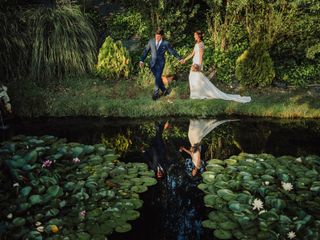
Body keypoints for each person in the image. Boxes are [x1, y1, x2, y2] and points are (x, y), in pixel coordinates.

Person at [184, 30, 251, 103]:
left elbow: (201, 56)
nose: (194, 36)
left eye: (195, 35)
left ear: (199, 36)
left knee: (197, 78)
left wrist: (199, 66)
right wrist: (184, 59)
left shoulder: (201, 44)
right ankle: (196, 94)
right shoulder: (196, 44)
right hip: (194, 62)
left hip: (198, 63)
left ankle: (198, 94)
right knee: (193, 78)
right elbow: (192, 54)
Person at [140, 29, 184, 100]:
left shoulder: (165, 43)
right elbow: (146, 51)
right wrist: (142, 60)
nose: (157, 37)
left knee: (158, 77)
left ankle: (155, 94)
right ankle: (165, 91)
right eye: (156, 36)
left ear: (162, 36)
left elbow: (172, 51)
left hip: (160, 63)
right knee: (158, 78)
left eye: (159, 36)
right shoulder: (151, 41)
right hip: (152, 64)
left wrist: (180, 58)